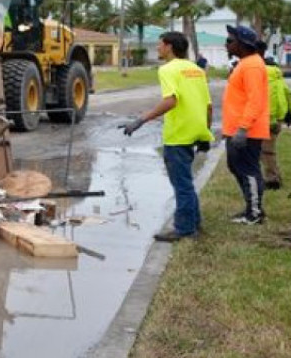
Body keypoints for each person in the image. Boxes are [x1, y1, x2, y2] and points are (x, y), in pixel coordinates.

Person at [120, 31, 212, 241]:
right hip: (195, 131)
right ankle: (194, 223)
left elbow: (171, 101)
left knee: (181, 184)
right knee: (186, 182)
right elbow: (208, 105)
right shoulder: (196, 70)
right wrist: (205, 134)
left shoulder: (167, 70)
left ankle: (185, 229)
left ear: (169, 47)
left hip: (178, 134)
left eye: (160, 45)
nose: (157, 48)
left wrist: (141, 120)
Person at [223, 25, 271, 224]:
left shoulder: (251, 65)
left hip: (247, 130)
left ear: (242, 44)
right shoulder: (246, 63)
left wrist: (243, 128)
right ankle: (251, 207)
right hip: (238, 129)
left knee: (248, 170)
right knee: (237, 167)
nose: (226, 44)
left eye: (229, 41)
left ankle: (254, 214)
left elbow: (255, 100)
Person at [256, 40, 291, 189]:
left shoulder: (260, 76)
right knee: (268, 151)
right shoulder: (278, 77)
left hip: (263, 120)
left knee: (265, 152)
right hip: (276, 120)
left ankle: (273, 179)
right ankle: (272, 177)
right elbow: (288, 94)